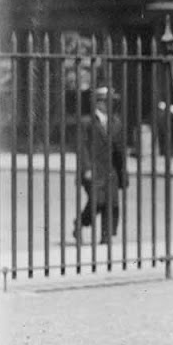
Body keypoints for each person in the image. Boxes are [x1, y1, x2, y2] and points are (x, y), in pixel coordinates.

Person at [73, 85, 127, 243]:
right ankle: (81, 222)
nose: (109, 104)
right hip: (94, 169)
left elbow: (120, 150)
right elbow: (81, 147)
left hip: (111, 170)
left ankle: (106, 236)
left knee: (111, 203)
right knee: (97, 201)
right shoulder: (87, 122)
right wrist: (87, 168)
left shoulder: (116, 122)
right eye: (105, 101)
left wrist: (122, 172)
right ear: (98, 103)